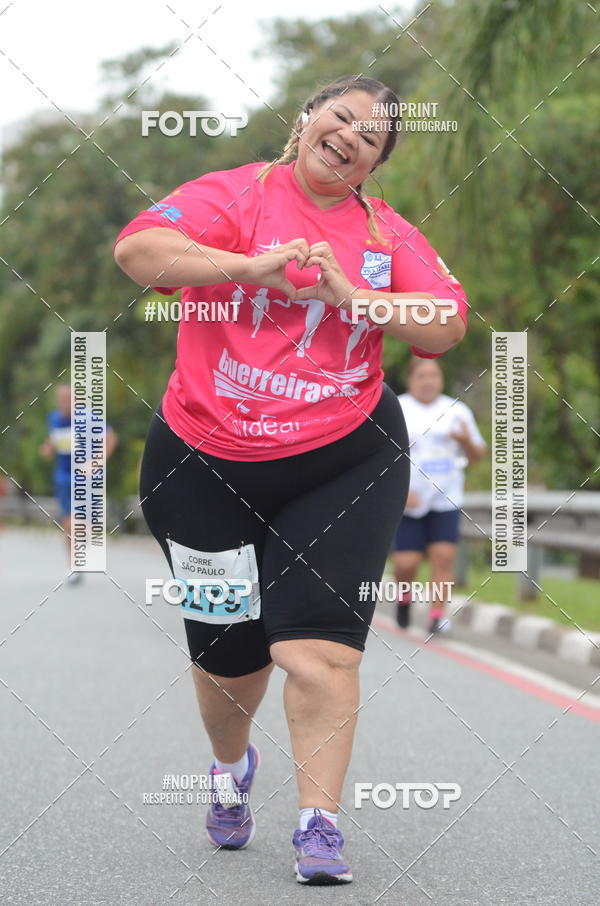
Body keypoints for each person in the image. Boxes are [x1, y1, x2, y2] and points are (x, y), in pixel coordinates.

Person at [113, 74, 468, 886]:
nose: (349, 137)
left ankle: (319, 822)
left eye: (370, 137)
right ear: (308, 119)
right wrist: (251, 268)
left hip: (340, 458)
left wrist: (359, 296)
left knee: (315, 651)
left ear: (374, 164)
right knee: (230, 656)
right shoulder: (236, 194)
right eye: (340, 117)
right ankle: (231, 767)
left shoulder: (385, 234)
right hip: (202, 459)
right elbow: (138, 251)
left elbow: (445, 323)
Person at [393, 357, 486, 634]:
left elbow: (477, 455)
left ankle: (436, 616)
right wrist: (400, 490)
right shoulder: (398, 408)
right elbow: (382, 455)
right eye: (421, 375)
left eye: (433, 375)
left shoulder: (456, 411)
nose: (428, 381)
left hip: (446, 497)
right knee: (406, 563)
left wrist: (464, 440)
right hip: (409, 499)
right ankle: (404, 598)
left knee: (443, 556)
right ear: (410, 379)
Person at [41, 384, 118, 581]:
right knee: (68, 524)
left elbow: (110, 438)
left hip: (87, 479)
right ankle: (74, 566)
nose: (63, 403)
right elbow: (55, 440)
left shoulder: (89, 417)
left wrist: (96, 462)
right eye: (60, 399)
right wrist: (48, 448)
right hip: (63, 477)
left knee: (77, 523)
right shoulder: (54, 418)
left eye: (67, 399)